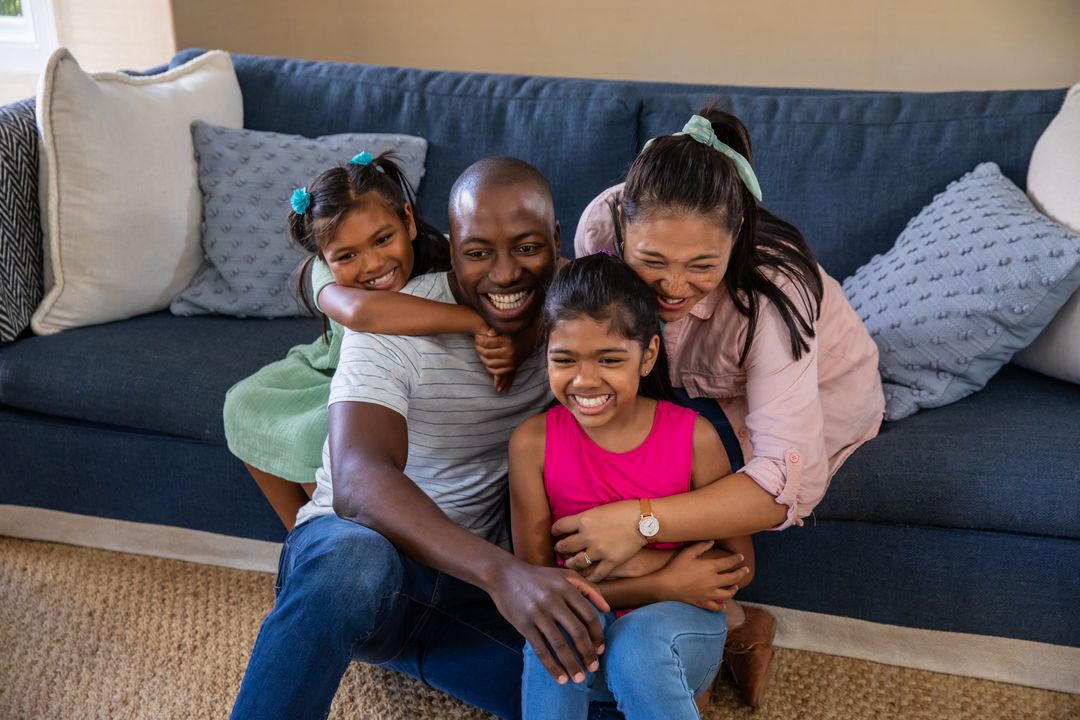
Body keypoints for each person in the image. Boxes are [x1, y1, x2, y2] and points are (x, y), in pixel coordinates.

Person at [231, 157, 612, 720]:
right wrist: (504, 574)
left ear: (556, 242)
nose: (505, 274)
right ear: (452, 247)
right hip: (366, 559)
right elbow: (359, 483)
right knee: (353, 565)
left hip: (467, 593)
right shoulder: (391, 324)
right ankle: (354, 621)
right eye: (478, 252)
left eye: (527, 248)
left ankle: (415, 652)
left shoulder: (575, 315)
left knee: (607, 697)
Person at [567, 108, 885, 706]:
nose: (673, 287)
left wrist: (638, 520)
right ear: (623, 226)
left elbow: (782, 484)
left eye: (702, 266)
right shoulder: (601, 226)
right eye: (652, 261)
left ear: (736, 235)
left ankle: (718, 628)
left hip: (809, 392)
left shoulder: (775, 290)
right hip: (679, 379)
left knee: (671, 477)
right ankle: (715, 620)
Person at [510, 253, 753, 719]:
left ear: (648, 356)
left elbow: (738, 567)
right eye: (564, 359)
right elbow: (539, 588)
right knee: (556, 625)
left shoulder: (694, 437)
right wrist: (662, 580)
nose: (585, 380)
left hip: (676, 640)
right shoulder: (531, 443)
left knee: (635, 647)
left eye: (609, 359)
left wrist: (620, 573)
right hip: (588, 639)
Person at [223, 150, 520, 531]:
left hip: (400, 380)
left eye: (383, 239)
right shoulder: (323, 273)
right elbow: (363, 312)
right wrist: (474, 322)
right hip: (332, 372)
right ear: (325, 258)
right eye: (347, 255)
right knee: (243, 404)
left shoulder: (449, 254)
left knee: (317, 438)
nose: (373, 264)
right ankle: (302, 534)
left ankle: (350, 530)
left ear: (408, 220)